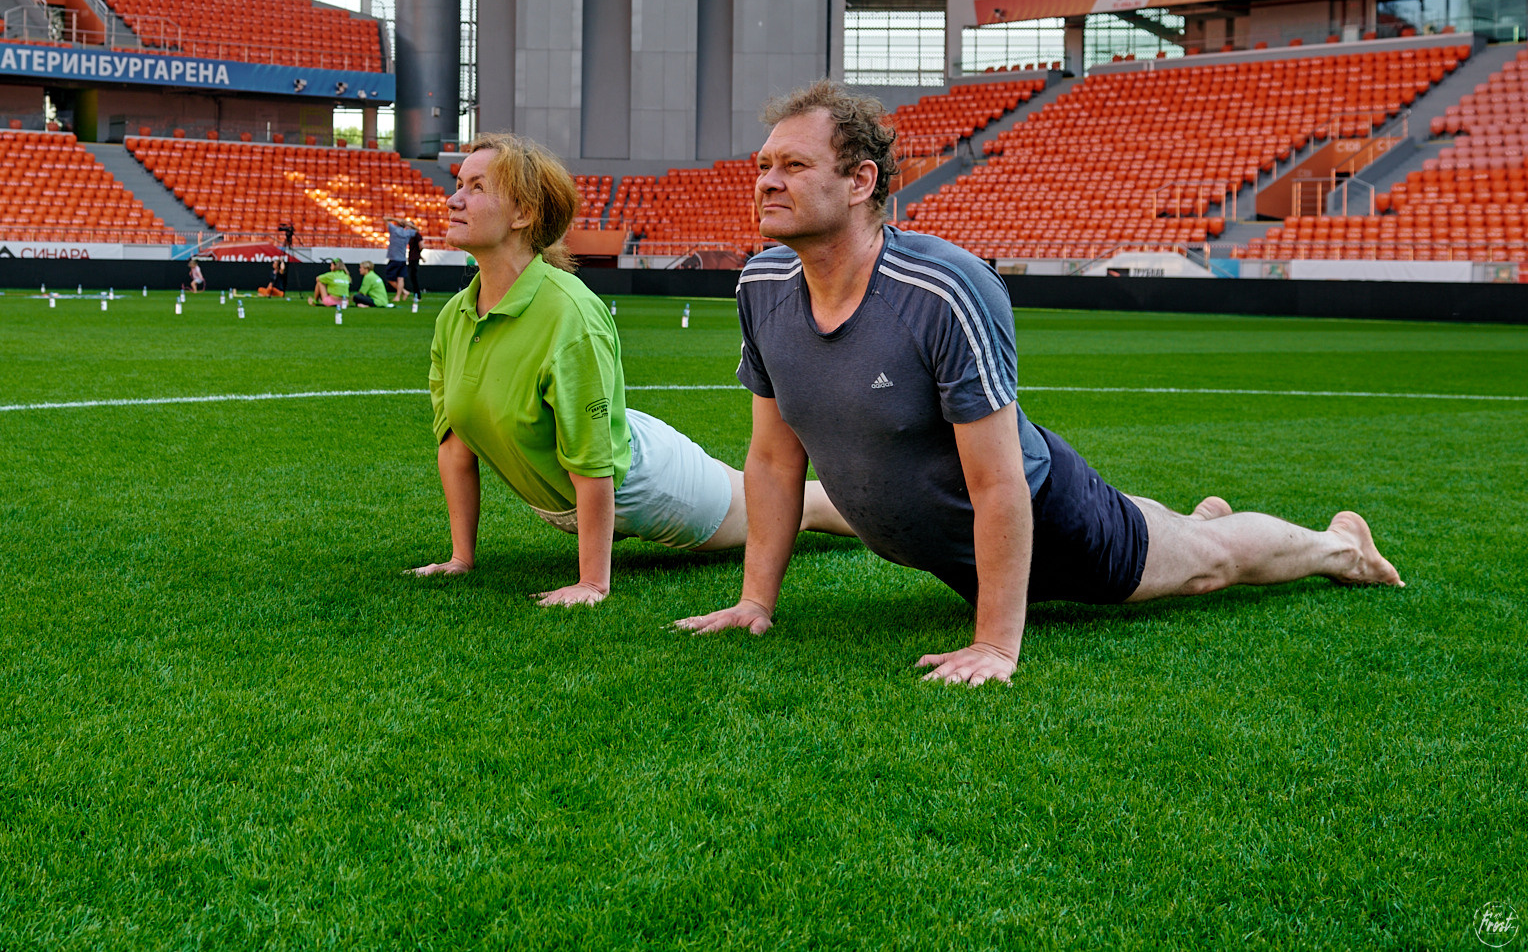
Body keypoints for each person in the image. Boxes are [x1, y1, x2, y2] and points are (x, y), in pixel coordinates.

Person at [675, 81, 1403, 683]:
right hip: (955, 549)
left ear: (860, 181)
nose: (767, 181)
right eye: (763, 165)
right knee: (1175, 534)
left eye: (793, 165)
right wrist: (754, 603)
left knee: (1207, 566)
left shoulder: (945, 289)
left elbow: (999, 484)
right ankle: (1187, 522)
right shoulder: (761, 285)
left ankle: (1339, 547)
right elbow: (773, 459)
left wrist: (995, 644)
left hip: (1052, 523)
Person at [409, 133, 854, 606]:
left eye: (477, 187)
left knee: (790, 507)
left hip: (645, 481)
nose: (454, 199)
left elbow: (596, 461)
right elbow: (455, 443)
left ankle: (888, 510)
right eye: (459, 184)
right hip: (584, 477)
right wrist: (460, 558)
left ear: (523, 214)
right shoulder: (454, 317)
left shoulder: (570, 314)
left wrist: (592, 583)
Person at [384, 216, 418, 302]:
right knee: (400, 278)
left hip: (394, 258)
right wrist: (408, 224)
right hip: (402, 259)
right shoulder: (407, 233)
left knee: (390, 278)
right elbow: (417, 229)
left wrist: (395, 219)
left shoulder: (393, 229)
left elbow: (385, 218)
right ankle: (399, 295)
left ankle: (403, 292)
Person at [406, 226, 424, 303]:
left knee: (414, 277)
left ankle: (418, 295)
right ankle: (416, 295)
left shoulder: (417, 235)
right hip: (412, 258)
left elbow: (421, 246)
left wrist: (418, 255)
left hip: (414, 259)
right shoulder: (412, 236)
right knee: (413, 278)